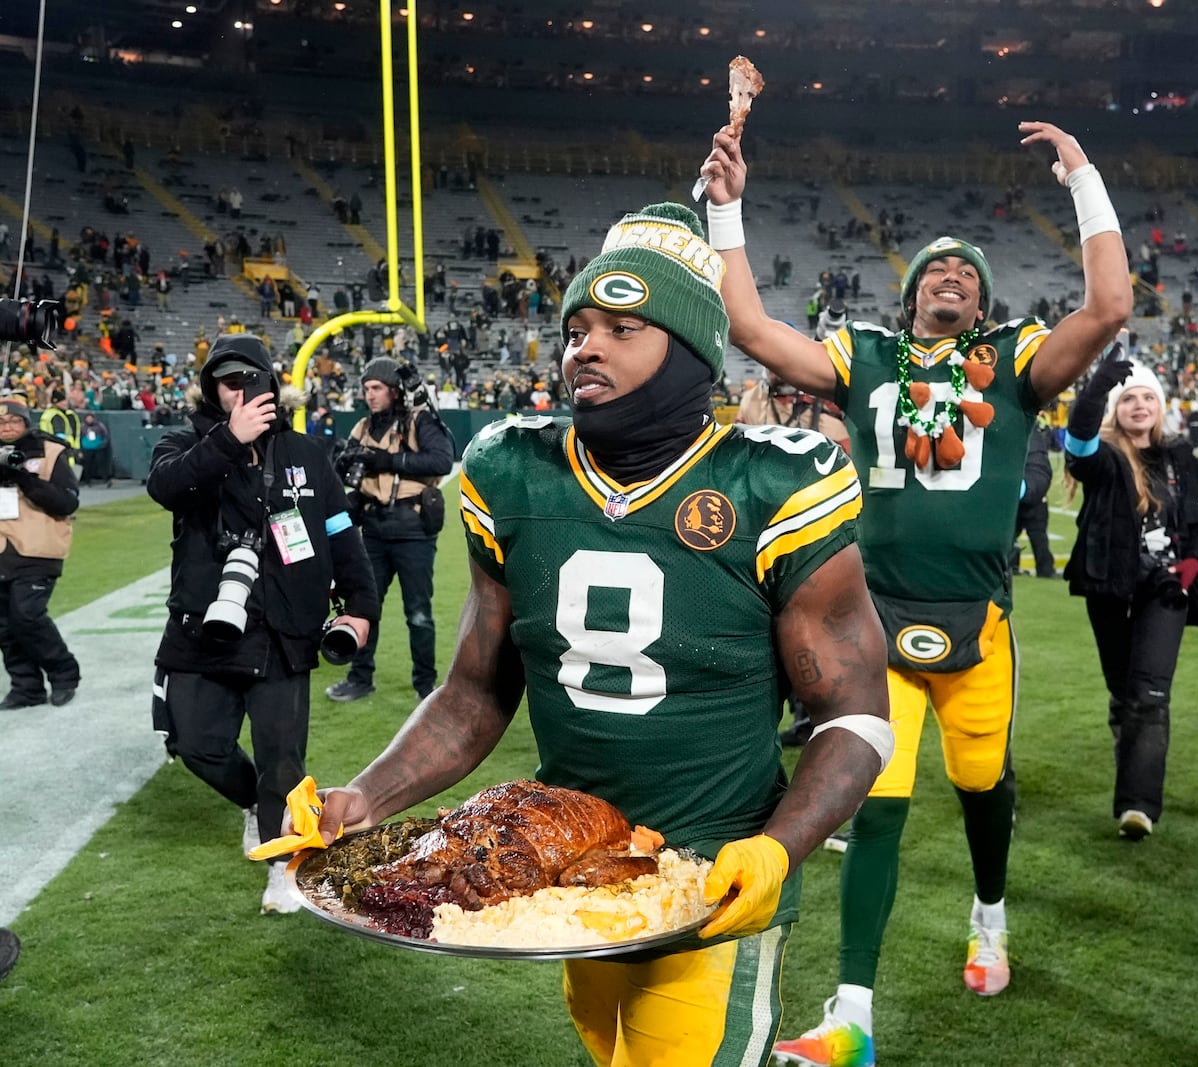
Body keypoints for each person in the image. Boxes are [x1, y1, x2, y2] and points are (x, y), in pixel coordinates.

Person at [312, 203, 890, 1066]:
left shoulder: (774, 485)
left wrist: (775, 849)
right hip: (570, 872)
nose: (586, 346)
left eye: (624, 327)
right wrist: (365, 796)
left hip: (714, 879)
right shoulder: (514, 469)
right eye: (579, 327)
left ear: (691, 351)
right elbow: (475, 691)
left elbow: (855, 714)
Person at [700, 118, 1130, 1058]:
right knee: (876, 804)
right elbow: (750, 328)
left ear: (982, 303)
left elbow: (1105, 310)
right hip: (873, 623)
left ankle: (990, 910)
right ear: (909, 294)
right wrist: (726, 212)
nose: (952, 275)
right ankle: (852, 1010)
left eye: (969, 273)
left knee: (983, 791)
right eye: (936, 268)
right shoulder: (862, 357)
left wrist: (1084, 182)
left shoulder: (1015, 362)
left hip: (978, 624)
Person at [146, 335, 378, 914]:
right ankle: (254, 803)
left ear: (272, 385)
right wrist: (230, 439)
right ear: (210, 389)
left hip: (283, 627)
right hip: (205, 626)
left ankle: (283, 866)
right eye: (228, 382)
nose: (241, 391)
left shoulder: (305, 451)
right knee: (194, 744)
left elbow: (339, 531)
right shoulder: (185, 443)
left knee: (283, 758)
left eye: (252, 380)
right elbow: (166, 487)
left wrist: (361, 605)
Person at [1063, 351, 1198, 839]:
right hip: (1109, 585)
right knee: (1124, 693)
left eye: (1147, 397)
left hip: (1167, 589)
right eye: (1128, 398)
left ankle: (1138, 806)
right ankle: (1133, 769)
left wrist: (1192, 568)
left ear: (1161, 406)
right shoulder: (1103, 458)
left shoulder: (1187, 461)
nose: (1138, 405)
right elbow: (1079, 439)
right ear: (1117, 409)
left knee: (1150, 695)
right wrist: (1095, 388)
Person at [326, 358, 454, 703]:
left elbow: (442, 459)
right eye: (366, 389)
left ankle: (425, 686)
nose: (370, 395)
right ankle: (360, 677)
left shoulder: (418, 420)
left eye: (377, 388)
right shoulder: (362, 427)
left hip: (413, 530)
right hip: (372, 529)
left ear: (394, 391)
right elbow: (340, 476)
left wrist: (388, 461)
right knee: (364, 608)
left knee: (418, 614)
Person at [736, 367, 852, 747]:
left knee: (810, 634)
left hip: (809, 529)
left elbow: (845, 462)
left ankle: (814, 720)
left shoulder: (826, 403)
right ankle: (759, 723)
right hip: (757, 527)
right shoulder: (755, 398)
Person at [0, 396, 81, 709]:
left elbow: (67, 502)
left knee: (27, 616)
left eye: (13, 421)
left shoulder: (49, 451)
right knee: (5, 626)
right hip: (3, 552)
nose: (7, 427)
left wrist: (22, 476)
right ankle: (26, 687)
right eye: (1, 422)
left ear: (25, 422)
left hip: (37, 549)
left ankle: (64, 674)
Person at [1012, 412, 1056, 578]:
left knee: (1038, 539)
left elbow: (1038, 465)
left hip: (1030, 495)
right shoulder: (1035, 429)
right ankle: (1042, 570)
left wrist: (1020, 489)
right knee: (1036, 538)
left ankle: (1043, 570)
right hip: (1029, 493)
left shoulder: (1032, 431)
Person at [39, 388, 82, 473]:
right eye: (62, 401)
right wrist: (68, 448)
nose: (65, 403)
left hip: (57, 449)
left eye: (65, 400)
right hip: (61, 449)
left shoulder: (66, 414)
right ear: (55, 403)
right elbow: (59, 434)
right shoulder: (56, 416)